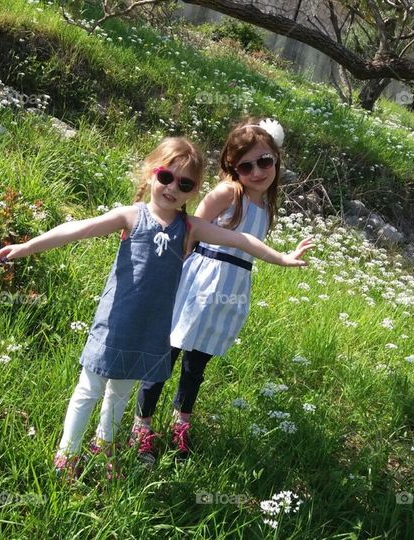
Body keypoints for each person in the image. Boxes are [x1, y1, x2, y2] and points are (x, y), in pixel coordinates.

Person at [0, 136, 313, 478]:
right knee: (89, 390)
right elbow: (78, 230)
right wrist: (27, 246)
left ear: (194, 191)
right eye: (166, 177)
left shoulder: (189, 227)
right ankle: (67, 455)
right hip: (115, 322)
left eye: (185, 184)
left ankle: (104, 448)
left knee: (120, 393)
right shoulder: (131, 216)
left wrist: (281, 257)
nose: (173, 188)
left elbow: (242, 240)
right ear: (151, 175)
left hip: (151, 329)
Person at [131, 118, 288, 464]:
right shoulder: (228, 193)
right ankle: (141, 426)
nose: (257, 171)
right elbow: (190, 231)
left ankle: (180, 423)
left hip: (231, 287)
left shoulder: (267, 207)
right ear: (233, 169)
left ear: (276, 159)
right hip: (198, 282)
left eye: (264, 161)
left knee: (196, 363)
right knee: (166, 353)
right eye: (246, 166)